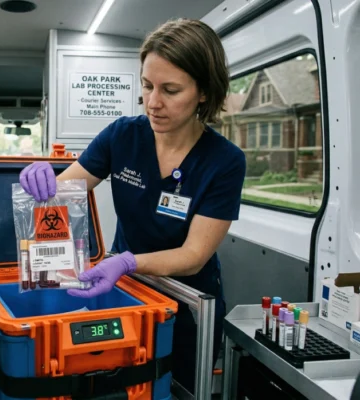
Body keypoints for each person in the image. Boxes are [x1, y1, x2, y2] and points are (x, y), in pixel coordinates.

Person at [19, 18, 245, 394]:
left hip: (188, 303)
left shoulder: (224, 161)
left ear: (204, 92)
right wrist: (40, 180)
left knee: (177, 388)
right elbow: (64, 189)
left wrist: (126, 260)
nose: (153, 102)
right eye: (147, 85)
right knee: (127, 386)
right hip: (129, 292)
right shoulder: (123, 135)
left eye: (170, 90)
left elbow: (194, 255)